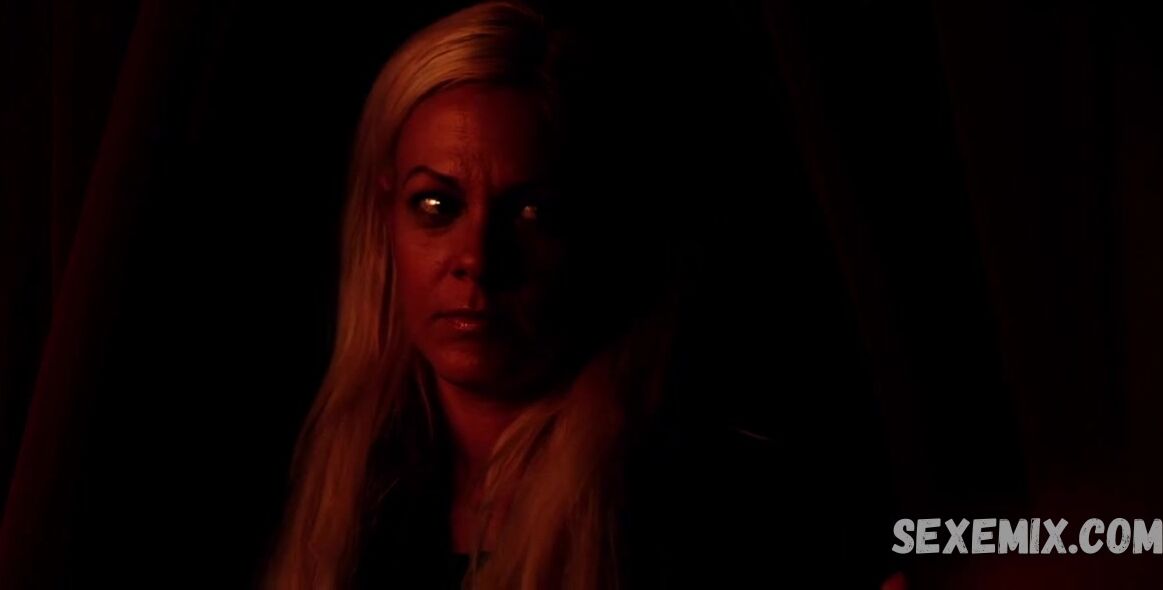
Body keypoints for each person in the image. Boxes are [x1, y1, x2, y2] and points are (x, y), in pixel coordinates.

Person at [267, 2, 895, 588]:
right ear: (385, 219)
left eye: (531, 213)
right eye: (436, 205)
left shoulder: (702, 497)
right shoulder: (349, 496)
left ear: (599, 231)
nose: (477, 260)